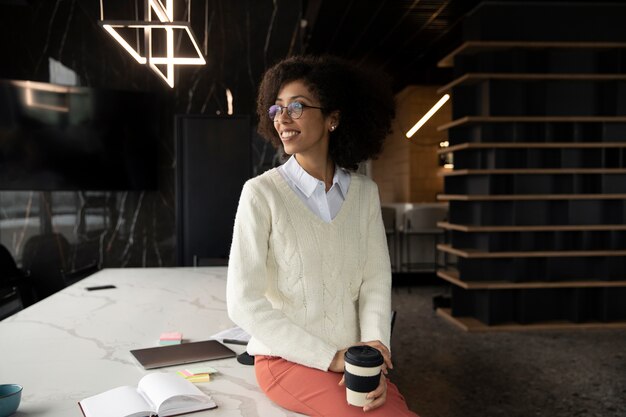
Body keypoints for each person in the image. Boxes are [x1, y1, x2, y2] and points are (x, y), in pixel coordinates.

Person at [227, 55, 418, 416]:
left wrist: (373, 352)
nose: (282, 118)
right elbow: (242, 301)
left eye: (296, 107)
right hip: (287, 360)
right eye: (277, 109)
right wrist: (330, 357)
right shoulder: (261, 193)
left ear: (333, 118)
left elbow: (375, 281)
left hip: (353, 361)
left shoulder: (364, 193)